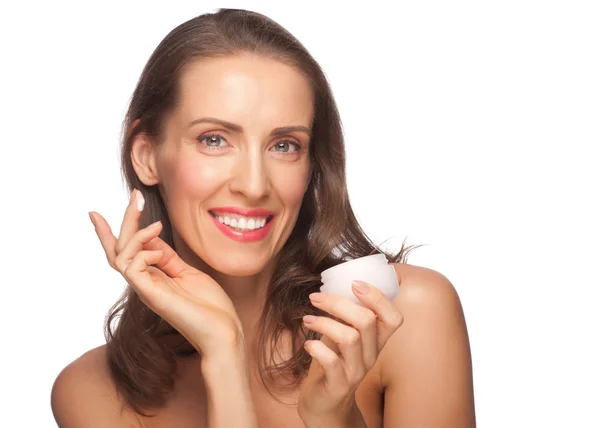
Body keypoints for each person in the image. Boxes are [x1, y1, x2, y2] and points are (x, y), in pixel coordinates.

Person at [51, 8, 475, 428]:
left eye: (285, 145)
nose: (254, 185)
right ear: (146, 156)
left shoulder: (406, 315)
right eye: (214, 140)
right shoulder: (94, 391)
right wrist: (224, 355)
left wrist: (333, 419)